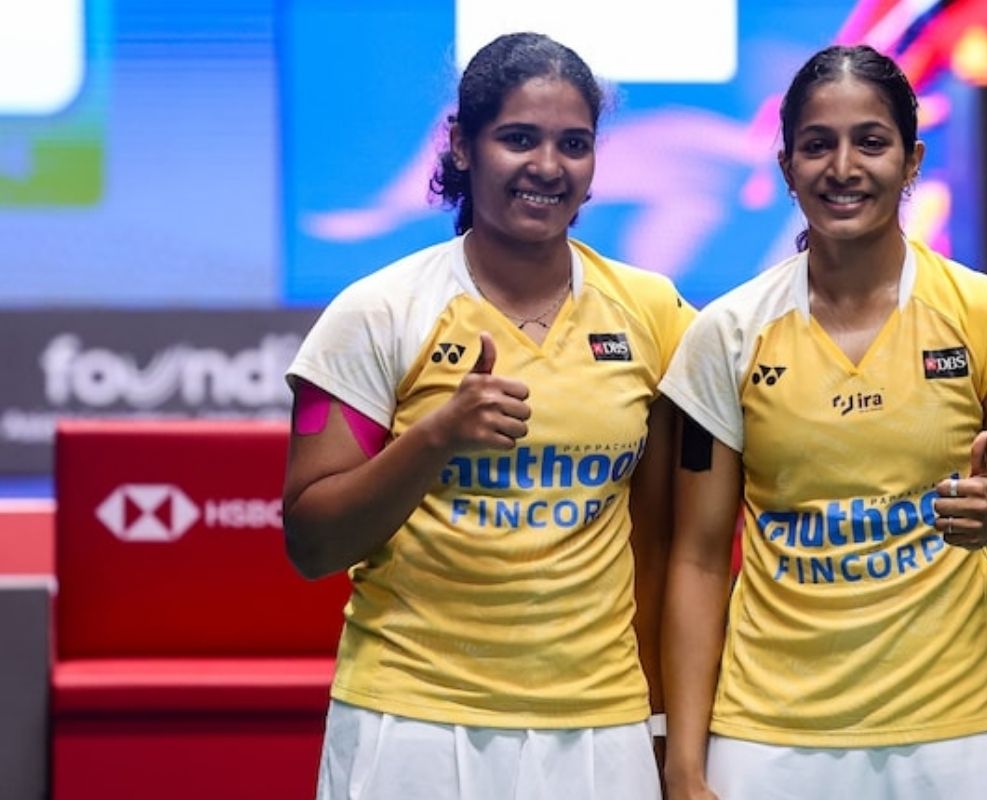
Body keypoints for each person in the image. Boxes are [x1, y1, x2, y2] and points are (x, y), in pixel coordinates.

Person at [281, 32, 692, 800]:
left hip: (598, 726)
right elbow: (311, 542)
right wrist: (435, 437)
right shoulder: (377, 313)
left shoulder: (654, 312)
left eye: (574, 144)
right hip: (411, 721)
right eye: (518, 139)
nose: (548, 166)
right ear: (462, 145)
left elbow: (674, 538)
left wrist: (670, 727)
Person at [658, 44, 987, 800]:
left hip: (952, 739)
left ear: (912, 162)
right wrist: (684, 766)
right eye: (818, 145)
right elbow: (698, 562)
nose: (842, 167)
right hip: (770, 740)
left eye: (870, 142)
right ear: (787, 167)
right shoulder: (728, 334)